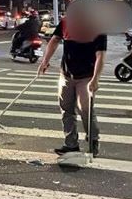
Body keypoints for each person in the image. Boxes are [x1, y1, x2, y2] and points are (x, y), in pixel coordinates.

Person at [37, 12, 106, 157]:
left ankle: (93, 139)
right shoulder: (66, 22)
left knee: (85, 110)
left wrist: (95, 79)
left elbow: (100, 55)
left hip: (86, 76)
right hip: (66, 74)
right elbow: (54, 40)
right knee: (66, 109)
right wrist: (45, 61)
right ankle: (71, 144)